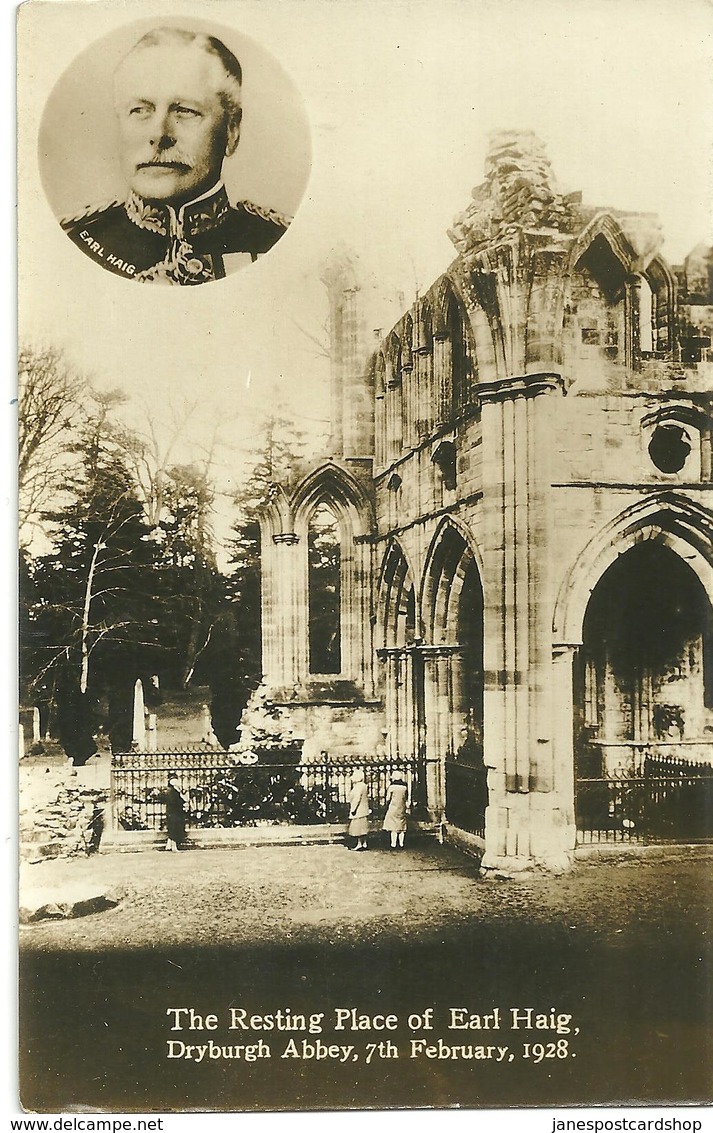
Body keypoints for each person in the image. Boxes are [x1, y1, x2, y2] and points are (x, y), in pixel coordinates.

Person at [61, 26, 290, 284]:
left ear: (232, 130)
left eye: (184, 111)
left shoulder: (279, 243)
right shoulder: (71, 244)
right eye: (139, 110)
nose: (159, 134)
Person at [383, 772, 409, 849]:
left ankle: (393, 844)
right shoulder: (404, 787)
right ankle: (401, 843)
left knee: (393, 827)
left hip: (393, 807)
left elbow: (388, 798)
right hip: (402, 807)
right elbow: (406, 798)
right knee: (402, 826)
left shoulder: (392, 787)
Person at [347, 769, 370, 851]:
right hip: (364, 809)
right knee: (363, 827)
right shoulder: (364, 786)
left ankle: (359, 844)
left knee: (358, 828)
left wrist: (353, 809)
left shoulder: (358, 787)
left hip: (358, 810)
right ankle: (364, 843)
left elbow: (357, 799)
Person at [164, 775, 186, 851]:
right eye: (173, 780)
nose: (176, 782)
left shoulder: (175, 790)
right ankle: (174, 847)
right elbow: (174, 801)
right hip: (174, 812)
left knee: (174, 828)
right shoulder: (171, 791)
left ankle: (168, 845)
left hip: (175, 812)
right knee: (174, 829)